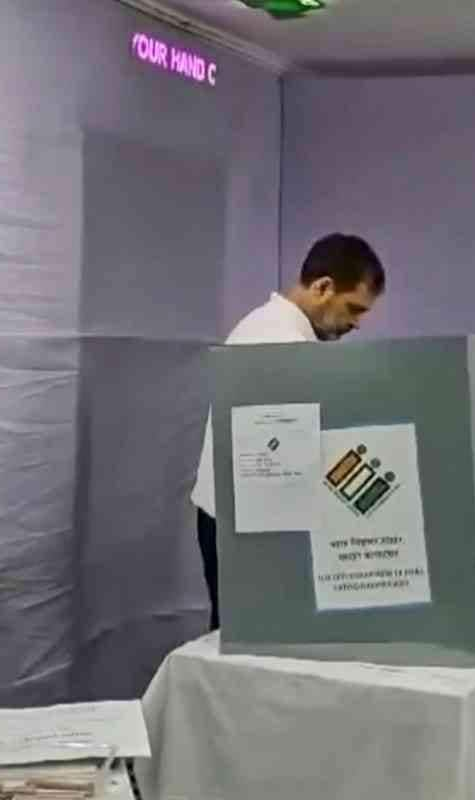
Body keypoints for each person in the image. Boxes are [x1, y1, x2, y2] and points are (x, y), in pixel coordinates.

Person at [191, 233, 386, 630]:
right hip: (244, 528)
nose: (356, 323)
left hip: (237, 520)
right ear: (323, 287)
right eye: (353, 309)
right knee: (248, 645)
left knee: (239, 638)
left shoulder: (270, 327)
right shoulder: (279, 343)